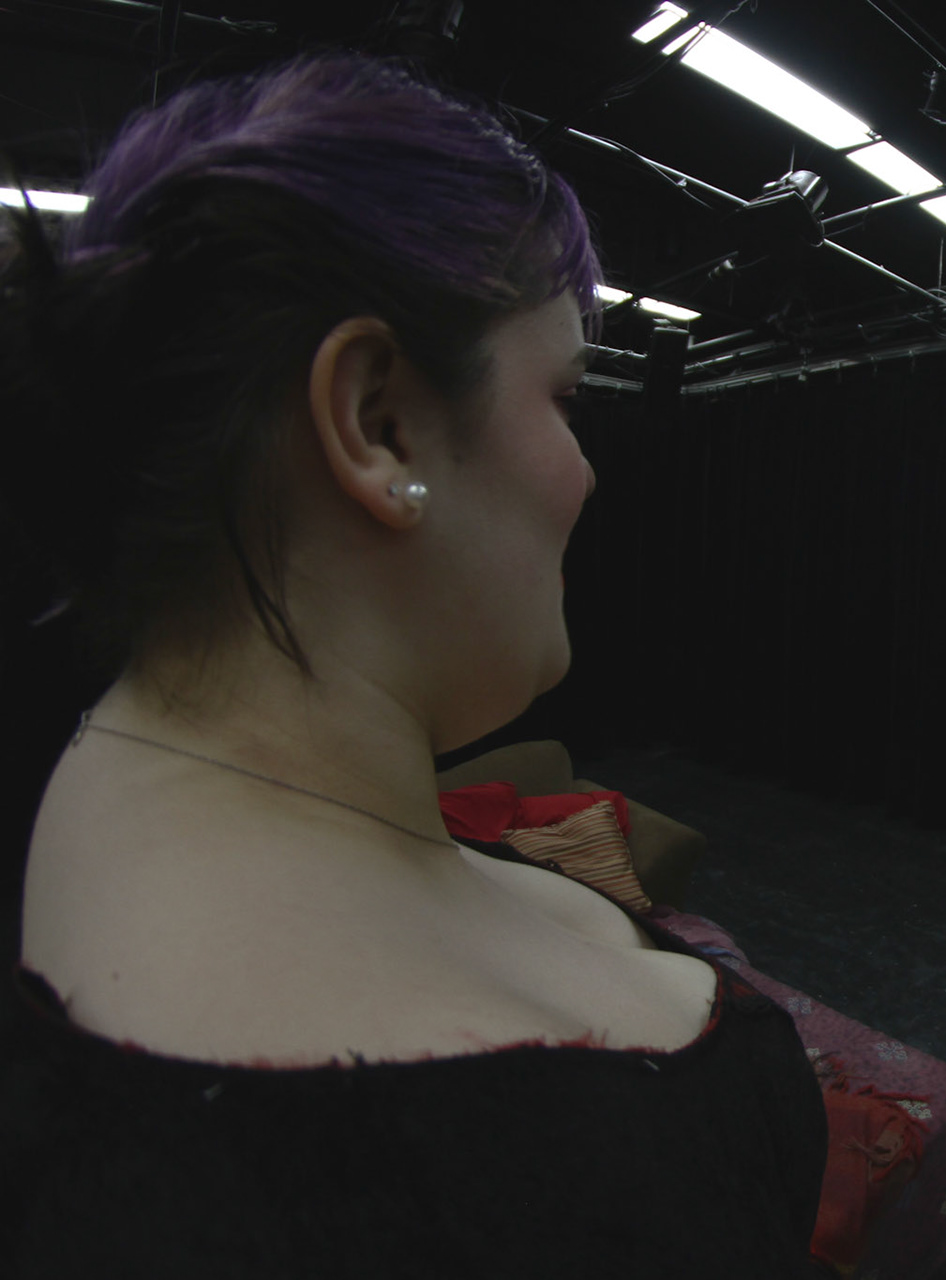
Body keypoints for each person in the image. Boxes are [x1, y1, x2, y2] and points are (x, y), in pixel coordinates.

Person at [0, 55, 826, 1276]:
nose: (588, 470)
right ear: (378, 424)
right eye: (565, 393)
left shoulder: (87, 779)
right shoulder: (597, 1178)